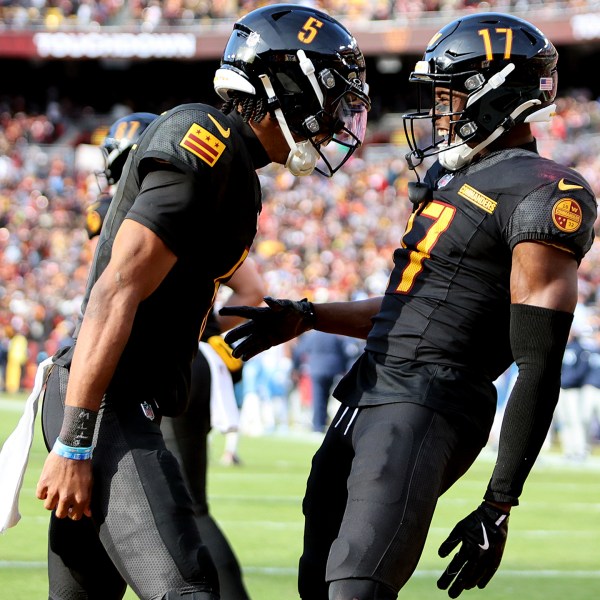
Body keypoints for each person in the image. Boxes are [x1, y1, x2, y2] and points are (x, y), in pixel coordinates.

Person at [220, 13, 597, 600]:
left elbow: (539, 362)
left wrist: (499, 502)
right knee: (317, 582)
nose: (437, 112)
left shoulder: (546, 190)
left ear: (495, 95)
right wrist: (309, 313)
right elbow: (409, 310)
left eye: (447, 96)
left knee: (355, 587)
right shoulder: (466, 180)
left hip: (424, 403)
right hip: (368, 390)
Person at [35, 4, 370, 600]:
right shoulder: (206, 142)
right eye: (334, 95)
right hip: (107, 404)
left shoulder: (238, 169)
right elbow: (119, 287)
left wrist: (289, 316)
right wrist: (76, 436)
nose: (340, 115)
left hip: (122, 397)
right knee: (186, 588)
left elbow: (172, 296)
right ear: (289, 89)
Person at [85, 113, 264, 600]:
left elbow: (114, 295)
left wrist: (193, 322)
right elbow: (253, 295)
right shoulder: (205, 194)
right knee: (149, 502)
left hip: (160, 364)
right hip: (186, 359)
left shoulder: (117, 207)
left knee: (177, 505)